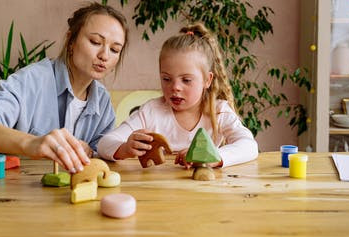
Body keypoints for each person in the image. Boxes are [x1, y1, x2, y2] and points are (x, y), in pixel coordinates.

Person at [0, 2, 129, 174]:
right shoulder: (32, 80)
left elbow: (100, 157)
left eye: (114, 50)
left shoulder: (103, 102)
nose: (105, 56)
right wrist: (32, 143)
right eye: (95, 41)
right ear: (71, 41)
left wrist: (92, 151)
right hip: (13, 194)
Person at [97, 23, 258, 168]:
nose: (175, 87)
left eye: (186, 80)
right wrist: (125, 148)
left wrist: (215, 156)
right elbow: (104, 143)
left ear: (207, 80)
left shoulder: (218, 111)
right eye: (166, 79)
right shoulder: (151, 112)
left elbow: (249, 146)